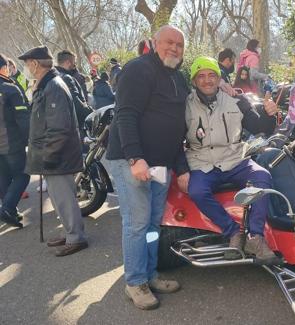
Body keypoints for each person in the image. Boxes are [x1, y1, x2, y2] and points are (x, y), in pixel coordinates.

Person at [106, 25, 188, 310]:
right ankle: (135, 282)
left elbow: (178, 127)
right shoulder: (138, 69)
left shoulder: (177, 77)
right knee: (137, 223)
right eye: (169, 42)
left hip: (161, 165)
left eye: (179, 44)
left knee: (153, 223)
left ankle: (150, 274)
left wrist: (181, 165)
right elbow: (125, 115)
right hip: (134, 162)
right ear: (155, 43)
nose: (174, 48)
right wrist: (135, 158)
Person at [178, 56, 279, 263]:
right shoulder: (184, 105)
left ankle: (255, 236)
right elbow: (174, 140)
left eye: (212, 75)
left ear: (219, 78)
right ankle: (233, 232)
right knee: (196, 190)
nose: (207, 80)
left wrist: (270, 114)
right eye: (202, 76)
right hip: (202, 162)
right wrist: (181, 170)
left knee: (262, 176)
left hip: (235, 159)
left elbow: (260, 128)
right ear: (194, 81)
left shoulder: (237, 100)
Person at [18, 45, 87, 256]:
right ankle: (69, 233)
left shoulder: (54, 86)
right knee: (59, 199)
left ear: (35, 64)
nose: (27, 68)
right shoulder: (47, 84)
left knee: (65, 198)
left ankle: (76, 238)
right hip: (54, 155)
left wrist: (48, 156)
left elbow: (59, 128)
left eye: (28, 64)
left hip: (59, 156)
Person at [0, 53, 30, 228]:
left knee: (3, 177)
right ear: (4, 67)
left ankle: (10, 210)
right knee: (23, 174)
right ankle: (8, 208)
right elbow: (23, 118)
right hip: (11, 142)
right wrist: (30, 140)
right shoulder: (10, 88)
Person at [56, 50, 93, 134]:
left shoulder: (53, 77)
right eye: (74, 62)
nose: (75, 65)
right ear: (68, 62)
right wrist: (92, 115)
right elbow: (76, 103)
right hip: (73, 126)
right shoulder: (67, 78)